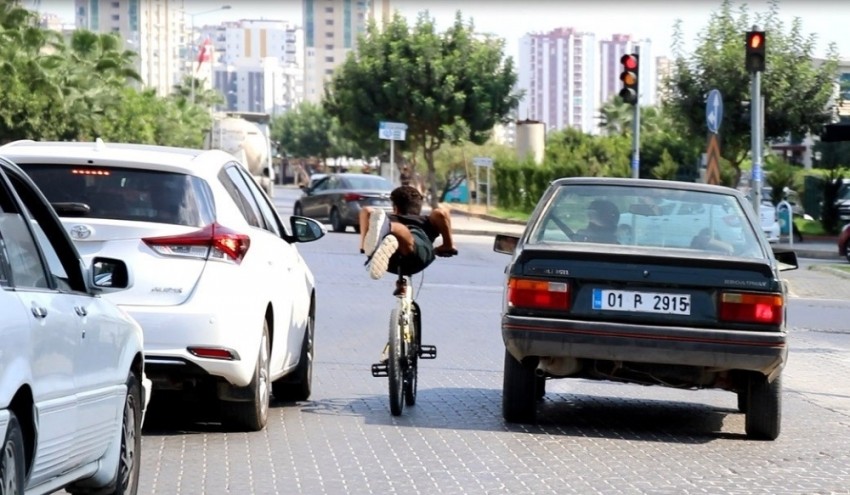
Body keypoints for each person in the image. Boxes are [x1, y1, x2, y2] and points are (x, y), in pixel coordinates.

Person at [359, 185, 457, 281]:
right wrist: (446, 245)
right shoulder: (427, 221)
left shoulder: (387, 219)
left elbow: (366, 210)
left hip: (400, 259)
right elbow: (442, 213)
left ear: (395, 207)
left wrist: (363, 248)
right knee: (404, 232)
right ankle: (390, 236)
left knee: (370, 212)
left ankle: (379, 239)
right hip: (414, 260)